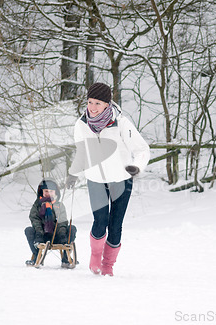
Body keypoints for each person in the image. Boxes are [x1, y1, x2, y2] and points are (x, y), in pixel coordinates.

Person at [66, 82, 150, 276]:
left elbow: (142, 149)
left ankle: (108, 265)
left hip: (121, 179)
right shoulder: (81, 125)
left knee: (115, 225)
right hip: (95, 179)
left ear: (107, 104)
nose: (92, 107)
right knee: (99, 221)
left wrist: (136, 167)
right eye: (89, 102)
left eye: (97, 103)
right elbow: (82, 152)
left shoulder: (121, 123)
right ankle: (96, 255)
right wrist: (74, 173)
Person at [24, 178, 76, 268]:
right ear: (42, 192)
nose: (48, 193)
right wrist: (39, 234)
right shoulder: (37, 205)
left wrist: (62, 235)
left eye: (51, 191)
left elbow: (62, 221)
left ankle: (65, 258)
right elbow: (35, 219)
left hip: (58, 236)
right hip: (41, 236)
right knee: (28, 230)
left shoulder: (59, 205)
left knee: (72, 228)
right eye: (46, 191)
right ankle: (36, 256)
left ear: (56, 192)